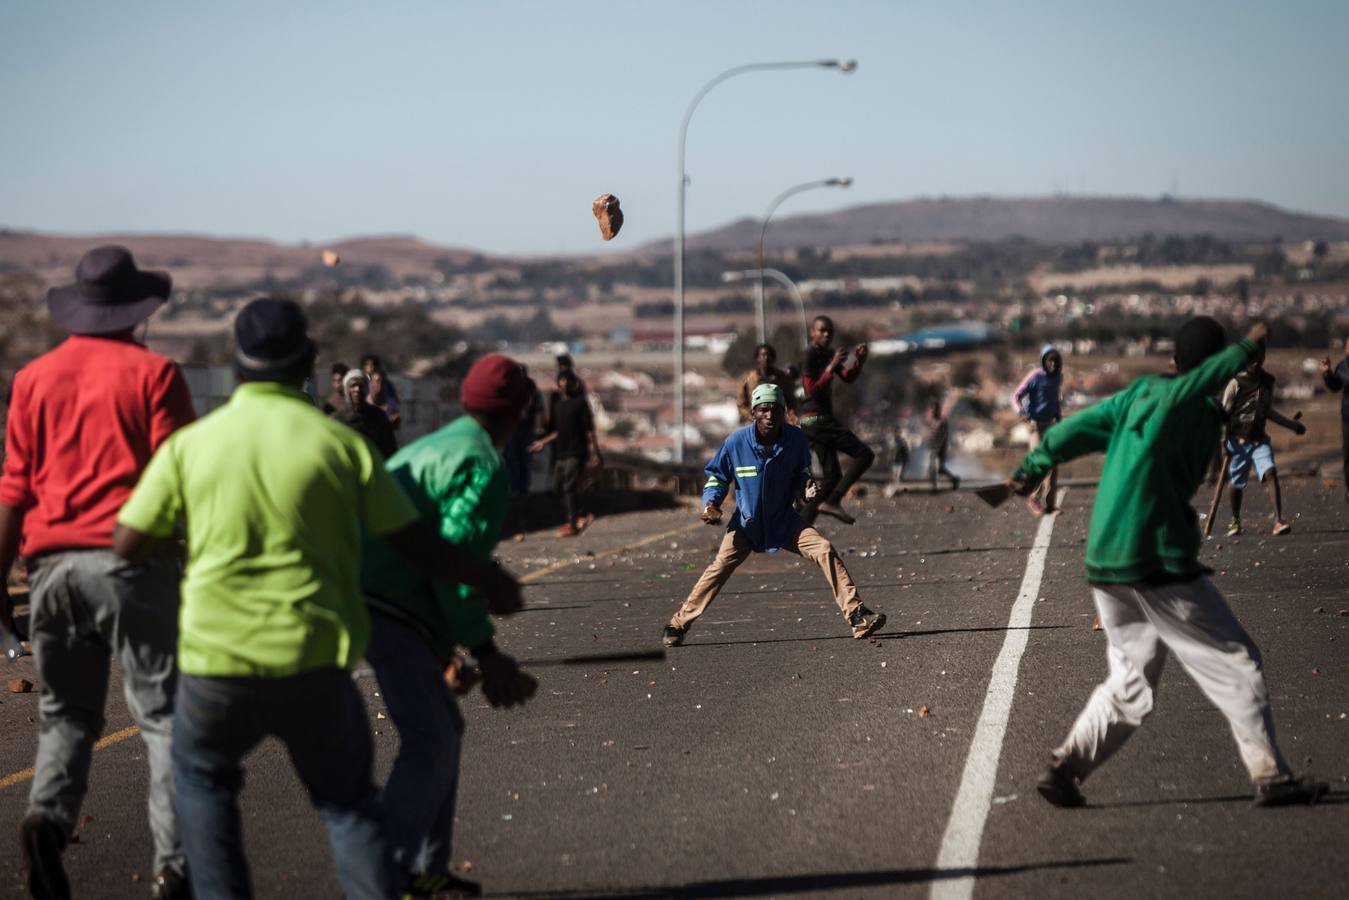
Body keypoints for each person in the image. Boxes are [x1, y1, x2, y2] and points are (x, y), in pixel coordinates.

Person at [112, 299, 523, 900]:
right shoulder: (339, 446)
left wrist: (191, 543)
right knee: (348, 806)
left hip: (213, 664)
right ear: (307, 363)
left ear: (235, 368)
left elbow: (127, 542)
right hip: (312, 660)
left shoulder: (192, 445)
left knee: (202, 783)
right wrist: (487, 582)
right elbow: (415, 544)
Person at [1009, 318, 1326, 809]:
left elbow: (1074, 430)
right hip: (1154, 557)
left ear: (1173, 360)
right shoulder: (1183, 401)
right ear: (1212, 369)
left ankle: (1066, 767)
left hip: (1107, 559)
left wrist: (1031, 467)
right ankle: (1271, 776)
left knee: (1132, 681)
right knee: (1235, 662)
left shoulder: (1139, 395)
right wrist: (1247, 345)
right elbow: (1201, 380)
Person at [0, 246, 196, 900]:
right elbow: (180, 480)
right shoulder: (156, 374)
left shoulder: (33, 378)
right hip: (131, 567)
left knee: (66, 716)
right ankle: (173, 864)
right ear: (136, 311)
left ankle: (48, 823)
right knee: (163, 717)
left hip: (51, 573)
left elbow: (14, 490)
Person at [361, 353, 538, 897]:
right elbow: (453, 568)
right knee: (431, 740)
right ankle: (380, 876)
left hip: (370, 592)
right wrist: (487, 653)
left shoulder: (435, 444)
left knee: (441, 730)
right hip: (389, 605)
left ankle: (425, 869)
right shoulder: (485, 468)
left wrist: (443, 653)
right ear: (520, 414)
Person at [662, 383, 886, 648]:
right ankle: (677, 625)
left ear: (783, 413)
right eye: (764, 410)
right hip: (746, 525)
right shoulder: (736, 443)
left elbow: (801, 475)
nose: (770, 416)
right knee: (719, 568)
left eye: (775, 410)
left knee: (824, 549)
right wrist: (711, 503)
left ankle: (857, 616)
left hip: (784, 522)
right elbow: (718, 478)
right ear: (754, 414)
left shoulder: (795, 440)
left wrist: (807, 488)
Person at [1220, 346, 1305, 536]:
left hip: (1259, 441)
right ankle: (1235, 519)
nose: (1256, 363)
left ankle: (1278, 520)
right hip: (1237, 441)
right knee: (1236, 483)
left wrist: (1292, 425)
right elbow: (1223, 415)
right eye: (1252, 360)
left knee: (1270, 472)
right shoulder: (1236, 383)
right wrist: (1223, 443)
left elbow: (1267, 411)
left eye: (1260, 359)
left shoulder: (1267, 382)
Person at [798, 316, 874, 525]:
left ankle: (800, 528)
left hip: (817, 423)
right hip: (816, 420)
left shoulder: (828, 353)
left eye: (829, 332)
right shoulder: (810, 355)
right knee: (864, 454)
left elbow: (848, 377)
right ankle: (833, 501)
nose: (826, 335)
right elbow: (811, 390)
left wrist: (859, 362)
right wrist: (830, 367)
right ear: (812, 333)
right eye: (821, 331)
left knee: (831, 476)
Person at [530, 369, 602, 537]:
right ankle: (582, 514)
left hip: (576, 453)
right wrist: (542, 442)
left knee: (569, 487)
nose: (564, 388)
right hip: (562, 453)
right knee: (556, 488)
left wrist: (594, 453)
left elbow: (589, 432)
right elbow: (558, 431)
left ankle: (572, 523)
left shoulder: (580, 404)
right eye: (561, 384)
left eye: (567, 384)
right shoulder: (560, 406)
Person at [1012, 344, 1063, 514]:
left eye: (1056, 361)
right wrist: (1021, 412)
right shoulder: (1035, 376)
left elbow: (1054, 399)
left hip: (1050, 425)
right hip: (1035, 425)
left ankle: (1050, 504)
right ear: (1043, 361)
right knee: (1041, 462)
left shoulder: (1057, 377)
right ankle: (1034, 498)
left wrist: (1058, 415)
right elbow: (1016, 396)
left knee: (1053, 464)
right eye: (1050, 361)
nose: (1053, 365)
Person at [330, 369, 399, 459]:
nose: (357, 389)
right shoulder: (337, 419)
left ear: (366, 389)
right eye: (353, 386)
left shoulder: (378, 416)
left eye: (361, 386)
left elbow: (390, 450)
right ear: (347, 389)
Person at [1320, 336, 1349, 502]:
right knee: (1348, 452)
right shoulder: (1343, 366)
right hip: (1347, 415)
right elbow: (1334, 386)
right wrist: (1327, 373)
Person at [735, 343, 793, 423]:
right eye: (763, 355)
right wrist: (751, 417)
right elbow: (741, 403)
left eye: (769, 355)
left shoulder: (781, 378)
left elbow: (790, 400)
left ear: (773, 358)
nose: (766, 358)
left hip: (777, 422)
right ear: (757, 358)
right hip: (754, 422)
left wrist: (789, 416)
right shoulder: (748, 379)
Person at [926, 400, 960, 492]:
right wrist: (929, 443)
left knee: (936, 469)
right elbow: (932, 435)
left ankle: (935, 488)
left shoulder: (943, 421)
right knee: (938, 470)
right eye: (932, 410)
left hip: (940, 450)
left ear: (938, 410)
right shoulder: (934, 421)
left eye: (934, 410)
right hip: (934, 449)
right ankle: (954, 479)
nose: (932, 412)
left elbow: (943, 437)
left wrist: (938, 448)